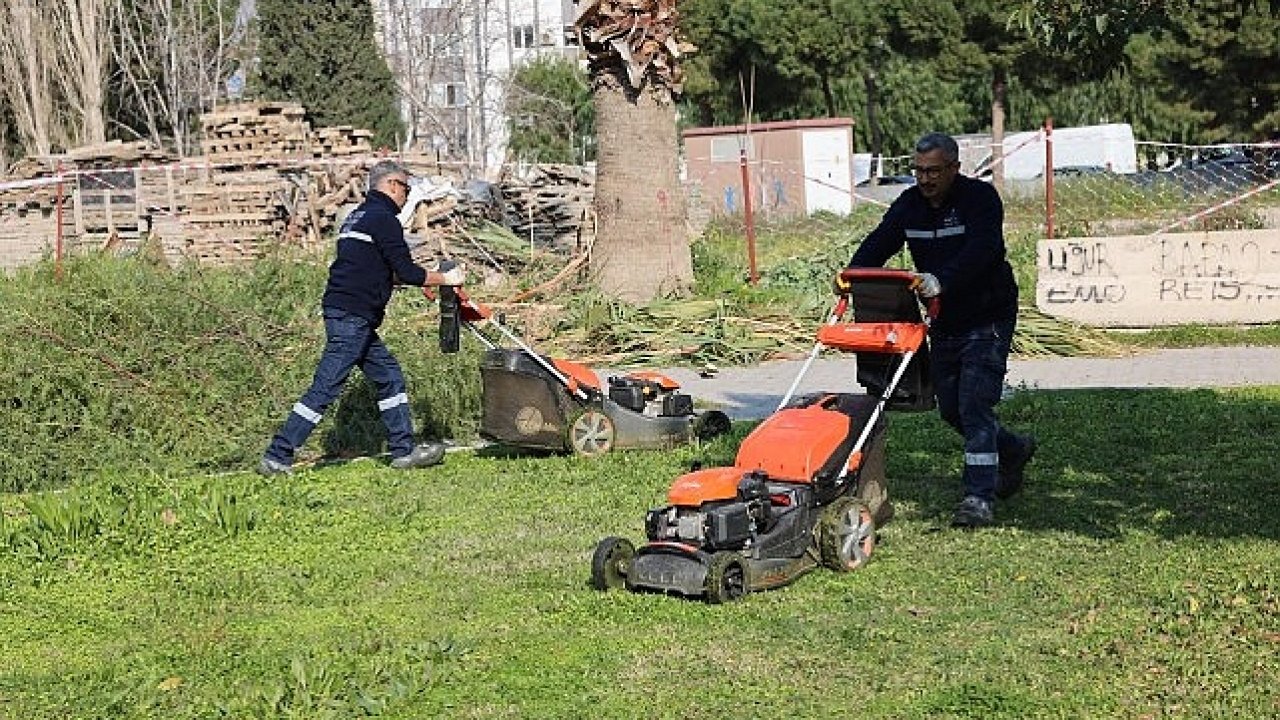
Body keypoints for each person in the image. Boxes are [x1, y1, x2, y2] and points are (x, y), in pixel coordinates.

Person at [839, 131, 1035, 527]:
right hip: (943, 321)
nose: (925, 179)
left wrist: (941, 279)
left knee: (974, 405)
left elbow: (984, 252)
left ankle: (978, 497)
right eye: (918, 171)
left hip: (986, 316)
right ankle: (1012, 449)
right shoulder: (910, 205)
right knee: (949, 409)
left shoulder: (979, 200)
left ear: (954, 168)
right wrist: (853, 273)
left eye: (933, 171)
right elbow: (881, 240)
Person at [259, 160, 465, 476]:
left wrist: (424, 280)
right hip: (352, 317)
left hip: (351, 314)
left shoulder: (357, 217)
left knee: (389, 377)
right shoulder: (384, 220)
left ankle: (403, 451)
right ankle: (278, 455)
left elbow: (375, 269)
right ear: (392, 185)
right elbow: (408, 272)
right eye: (406, 189)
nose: (407, 196)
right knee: (326, 387)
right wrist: (444, 279)